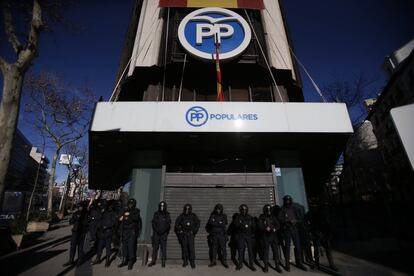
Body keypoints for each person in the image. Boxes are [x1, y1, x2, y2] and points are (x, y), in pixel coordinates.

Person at [304, 203, 338, 271]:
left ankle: (331, 264)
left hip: (323, 233)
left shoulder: (321, 213)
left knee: (327, 249)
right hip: (315, 233)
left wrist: (327, 234)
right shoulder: (310, 213)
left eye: (315, 206)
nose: (314, 207)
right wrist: (310, 230)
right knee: (317, 250)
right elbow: (305, 222)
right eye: (312, 206)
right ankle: (317, 264)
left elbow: (327, 224)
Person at [278, 195, 307, 271]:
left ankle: (299, 263)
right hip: (287, 230)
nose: (287, 202)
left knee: (297, 247)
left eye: (288, 200)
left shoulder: (294, 208)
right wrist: (287, 221)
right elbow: (280, 219)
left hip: (295, 230)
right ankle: (287, 264)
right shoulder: (282, 209)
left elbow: (300, 218)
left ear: (290, 200)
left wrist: (295, 221)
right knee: (287, 247)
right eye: (286, 200)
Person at [92, 200, 118, 267]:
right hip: (102, 232)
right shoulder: (103, 212)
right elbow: (99, 219)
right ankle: (98, 259)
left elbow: (114, 222)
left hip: (108, 232)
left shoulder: (113, 213)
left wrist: (106, 226)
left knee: (108, 247)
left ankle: (107, 260)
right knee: (100, 247)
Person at [258, 204, 282, 273]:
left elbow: (278, 225)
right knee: (266, 252)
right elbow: (259, 226)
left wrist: (275, 229)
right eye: (267, 210)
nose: (268, 211)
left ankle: (277, 266)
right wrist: (265, 228)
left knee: (276, 252)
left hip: (273, 237)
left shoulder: (273, 217)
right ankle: (266, 267)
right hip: (265, 237)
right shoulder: (261, 217)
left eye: (269, 210)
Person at [63, 201, 89, 267]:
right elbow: (71, 222)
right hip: (75, 232)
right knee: (73, 246)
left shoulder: (86, 214)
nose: (79, 208)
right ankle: (71, 260)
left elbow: (87, 223)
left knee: (80, 247)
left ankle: (79, 260)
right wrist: (75, 218)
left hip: (81, 232)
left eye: (80, 206)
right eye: (79, 206)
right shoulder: (77, 213)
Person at [118, 198, 141, 270]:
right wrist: (123, 216)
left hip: (131, 231)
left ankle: (131, 261)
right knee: (124, 246)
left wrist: (129, 214)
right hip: (124, 231)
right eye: (129, 203)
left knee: (131, 246)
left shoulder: (136, 211)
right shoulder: (124, 210)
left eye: (132, 204)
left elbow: (136, 218)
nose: (130, 205)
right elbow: (120, 218)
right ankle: (124, 260)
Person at [175, 204, 200, 269]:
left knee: (191, 248)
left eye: (188, 209)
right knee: (184, 248)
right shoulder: (181, 216)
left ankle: (192, 262)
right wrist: (180, 230)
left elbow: (198, 223)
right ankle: (185, 261)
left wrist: (194, 231)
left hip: (190, 234)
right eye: (186, 209)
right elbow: (176, 224)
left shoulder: (193, 216)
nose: (187, 210)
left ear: (190, 209)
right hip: (184, 234)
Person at [148, 201, 171, 267]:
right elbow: (153, 223)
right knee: (155, 248)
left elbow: (168, 224)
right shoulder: (156, 214)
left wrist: (163, 231)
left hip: (163, 234)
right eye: (161, 206)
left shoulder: (167, 214)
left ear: (165, 207)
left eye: (163, 206)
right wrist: (157, 230)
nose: (162, 207)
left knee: (163, 248)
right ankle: (153, 261)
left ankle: (163, 261)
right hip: (156, 234)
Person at [233, 204, 256, 271]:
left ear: (247, 210)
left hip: (248, 235)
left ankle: (251, 264)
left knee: (250, 251)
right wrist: (240, 223)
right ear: (240, 210)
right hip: (241, 235)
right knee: (241, 250)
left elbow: (253, 226)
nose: (244, 211)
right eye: (242, 210)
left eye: (245, 210)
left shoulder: (250, 217)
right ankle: (240, 264)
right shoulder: (238, 217)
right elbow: (236, 225)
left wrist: (252, 234)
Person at [205, 204, 229, 268]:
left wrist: (215, 223)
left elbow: (224, 223)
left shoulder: (224, 216)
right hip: (214, 235)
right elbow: (210, 223)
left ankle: (224, 261)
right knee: (213, 249)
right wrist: (219, 223)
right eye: (217, 209)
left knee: (223, 249)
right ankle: (213, 261)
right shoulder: (212, 215)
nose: (218, 210)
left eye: (219, 209)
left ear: (221, 209)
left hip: (222, 235)